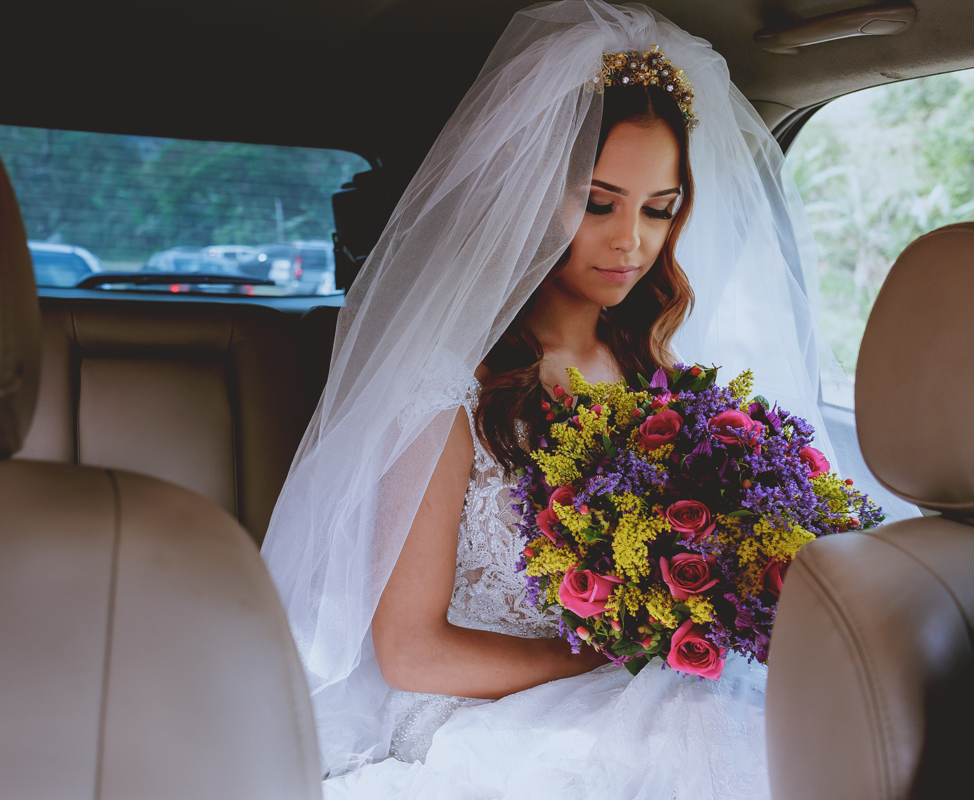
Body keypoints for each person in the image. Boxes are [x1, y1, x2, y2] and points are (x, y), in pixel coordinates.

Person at [261, 2, 875, 796]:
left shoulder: (660, 376)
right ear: (529, 193)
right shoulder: (447, 391)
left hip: (635, 689)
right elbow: (411, 653)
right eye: (599, 202)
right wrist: (608, 655)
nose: (632, 242)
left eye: (660, 209)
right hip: (472, 708)